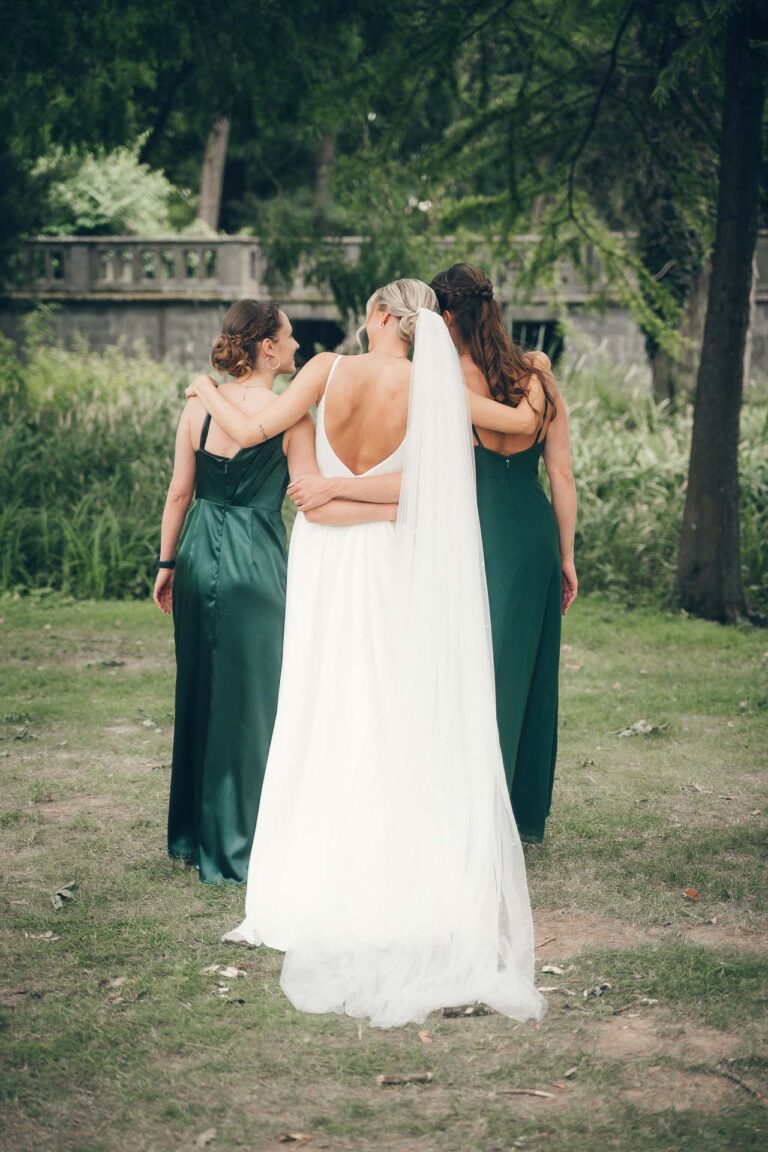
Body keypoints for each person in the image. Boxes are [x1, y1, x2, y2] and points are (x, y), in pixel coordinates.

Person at [185, 280, 546, 1027]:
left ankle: (307, 871)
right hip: (385, 556)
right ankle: (388, 859)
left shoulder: (322, 370)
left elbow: (262, 445)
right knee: (385, 701)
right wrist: (346, 498)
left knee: (321, 701)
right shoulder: (432, 391)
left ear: (380, 317)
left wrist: (206, 392)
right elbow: (429, 494)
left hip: (322, 554)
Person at [154, 300, 391, 883]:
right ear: (265, 347)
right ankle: (241, 844)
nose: (296, 349)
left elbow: (179, 493)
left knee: (199, 692)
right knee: (254, 704)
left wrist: (166, 563)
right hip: (256, 563)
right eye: (288, 339)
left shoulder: (196, 408)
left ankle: (189, 835)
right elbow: (307, 491)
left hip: (195, 549)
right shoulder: (294, 419)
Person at [430, 263, 577, 843]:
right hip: (535, 532)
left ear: (447, 316)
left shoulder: (445, 381)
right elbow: (561, 475)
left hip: (481, 531)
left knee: (476, 668)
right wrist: (566, 558)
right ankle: (520, 812)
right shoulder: (535, 372)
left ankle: (472, 811)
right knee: (529, 671)